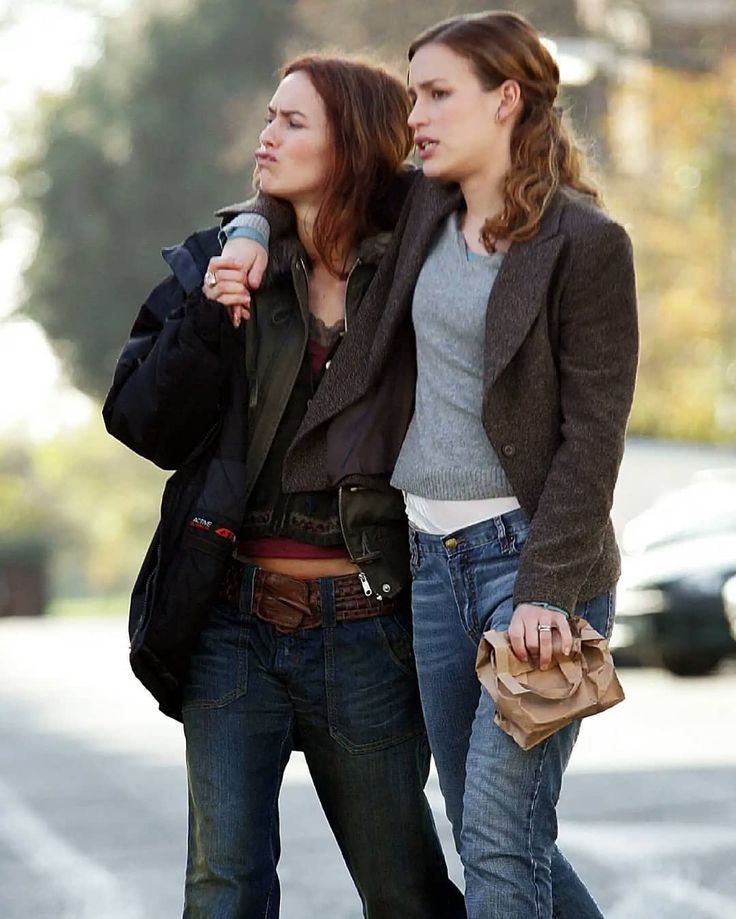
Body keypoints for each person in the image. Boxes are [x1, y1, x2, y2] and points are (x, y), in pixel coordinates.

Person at [220, 11, 639, 919]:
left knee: (497, 835)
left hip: (531, 570)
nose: (417, 115)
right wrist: (248, 234)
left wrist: (546, 592)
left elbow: (594, 435)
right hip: (427, 567)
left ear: (507, 100)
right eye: (415, 95)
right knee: (494, 834)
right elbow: (297, 183)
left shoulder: (586, 245)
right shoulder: (418, 207)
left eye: (439, 94)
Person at [102, 55, 465, 919]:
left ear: (352, 146)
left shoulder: (420, 263)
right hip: (233, 624)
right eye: (269, 116)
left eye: (294, 122)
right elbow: (138, 422)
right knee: (223, 890)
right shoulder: (219, 263)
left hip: (369, 628)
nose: (267, 134)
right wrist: (209, 313)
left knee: (404, 890)